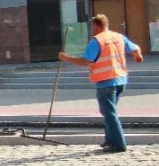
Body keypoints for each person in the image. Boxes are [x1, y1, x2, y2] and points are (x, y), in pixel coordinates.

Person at [59, 14, 143, 153]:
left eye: (92, 26)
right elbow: (135, 48)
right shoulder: (118, 37)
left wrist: (65, 57)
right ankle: (110, 139)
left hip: (106, 82)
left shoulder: (97, 41)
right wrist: (137, 55)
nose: (92, 29)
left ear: (96, 25)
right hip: (121, 79)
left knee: (109, 113)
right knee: (108, 111)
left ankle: (118, 143)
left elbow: (85, 61)